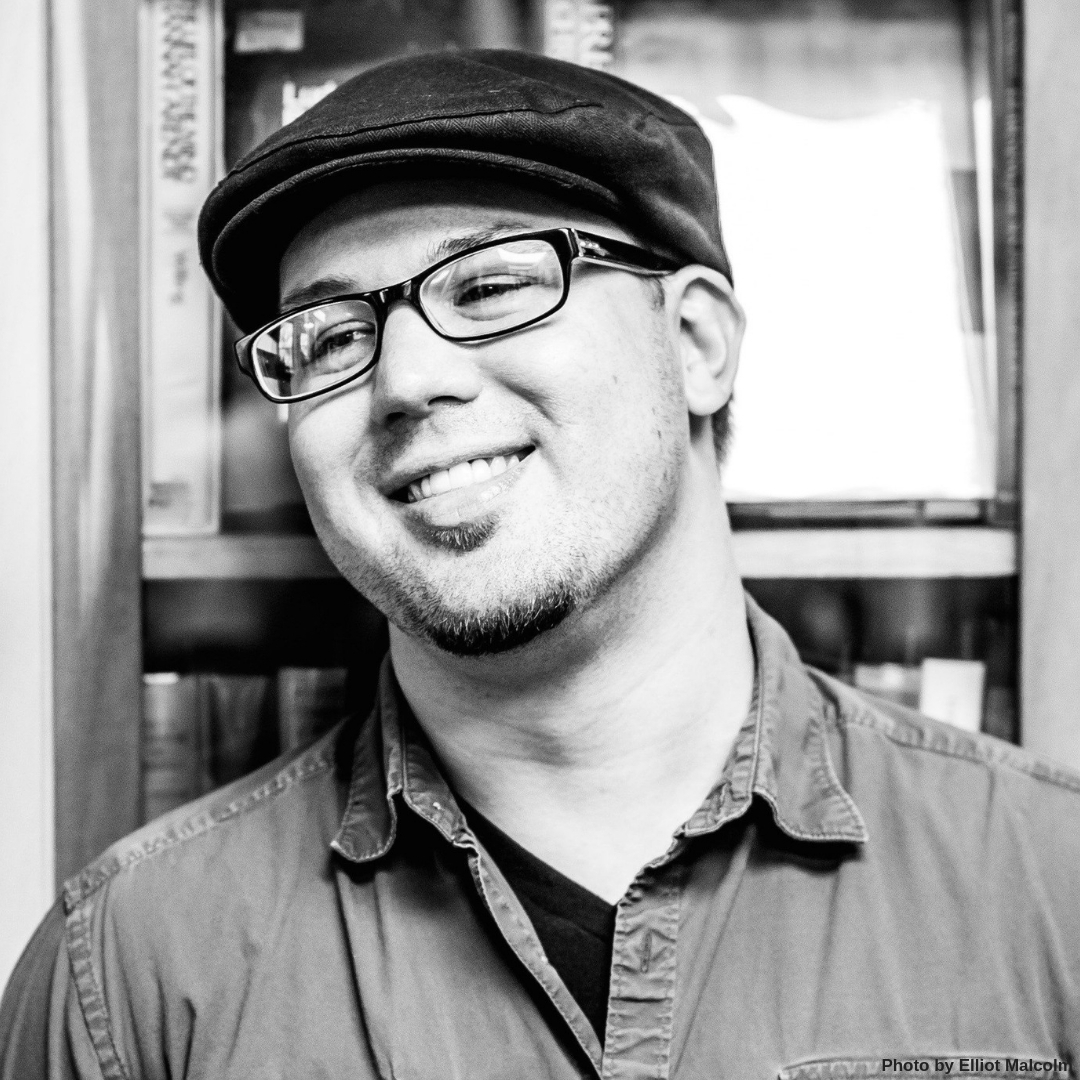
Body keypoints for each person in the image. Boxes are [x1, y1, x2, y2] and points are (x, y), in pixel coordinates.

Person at [2, 48, 1078, 1080]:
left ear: (697, 345)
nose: (406, 381)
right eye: (329, 337)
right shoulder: (128, 978)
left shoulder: (1052, 887)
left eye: (490, 286)